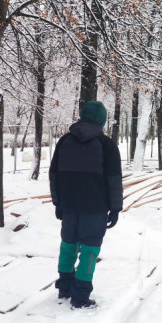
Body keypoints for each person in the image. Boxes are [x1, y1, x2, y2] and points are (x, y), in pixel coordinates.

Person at [49, 101, 123, 309]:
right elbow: (114, 180)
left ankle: (65, 287)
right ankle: (81, 296)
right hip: (95, 209)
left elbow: (54, 174)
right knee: (89, 251)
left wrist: (58, 202)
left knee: (68, 246)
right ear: (102, 121)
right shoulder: (107, 146)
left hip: (69, 207)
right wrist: (115, 208)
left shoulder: (64, 142)